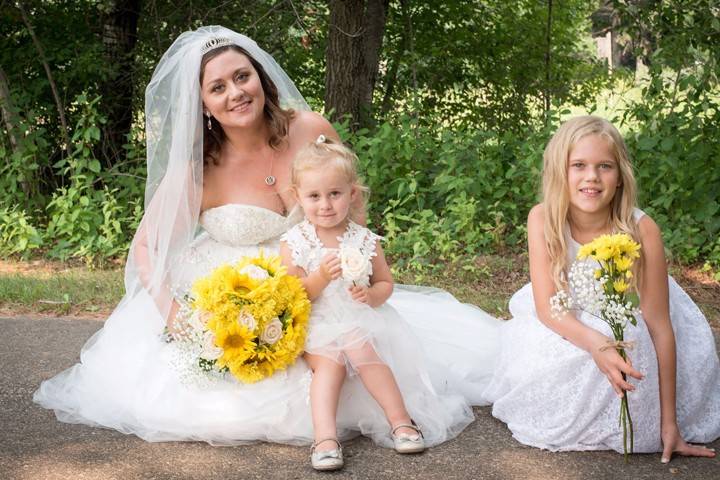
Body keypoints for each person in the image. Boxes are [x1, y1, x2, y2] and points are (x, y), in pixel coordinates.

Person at [33, 26, 500, 446]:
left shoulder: (311, 129)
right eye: (218, 87)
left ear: (260, 77)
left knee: (369, 352)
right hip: (240, 292)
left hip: (324, 280)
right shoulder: (198, 170)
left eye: (242, 77)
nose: (235, 93)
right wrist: (178, 318)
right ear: (202, 103)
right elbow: (145, 251)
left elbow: (350, 204)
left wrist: (353, 265)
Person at [483, 115, 720, 462]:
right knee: (555, 361)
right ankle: (585, 419)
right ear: (559, 173)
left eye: (604, 166)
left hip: (634, 313)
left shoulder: (642, 230)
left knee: (632, 344)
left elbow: (659, 324)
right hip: (566, 314)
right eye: (578, 165)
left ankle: (637, 417)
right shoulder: (543, 218)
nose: (591, 177)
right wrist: (596, 344)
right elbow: (550, 309)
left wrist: (670, 423)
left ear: (620, 177)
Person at [280, 137, 473, 470]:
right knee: (331, 362)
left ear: (352, 193)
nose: (325, 205)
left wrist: (371, 296)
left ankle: (401, 421)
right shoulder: (295, 241)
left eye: (334, 194)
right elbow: (293, 295)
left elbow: (385, 282)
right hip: (316, 322)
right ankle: (325, 438)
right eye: (314, 196)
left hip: (358, 316)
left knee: (364, 351)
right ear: (298, 196)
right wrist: (320, 278)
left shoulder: (364, 239)